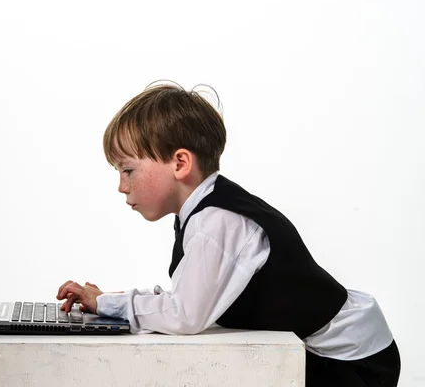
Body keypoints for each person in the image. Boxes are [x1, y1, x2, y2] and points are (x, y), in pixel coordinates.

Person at [56, 81, 401, 386]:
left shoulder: (216, 223)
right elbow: (191, 297)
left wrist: (107, 304)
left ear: (180, 163)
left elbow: (185, 316)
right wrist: (109, 301)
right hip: (342, 350)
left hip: (353, 363)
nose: (121, 186)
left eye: (128, 170)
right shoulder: (205, 211)